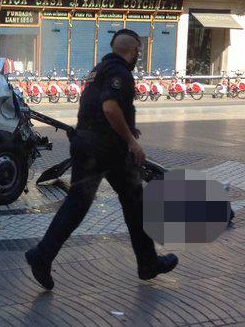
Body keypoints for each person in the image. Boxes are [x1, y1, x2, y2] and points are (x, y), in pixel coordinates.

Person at [25, 29, 178, 291]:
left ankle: (43, 255)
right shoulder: (120, 72)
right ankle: (147, 263)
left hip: (86, 143)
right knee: (134, 202)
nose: (137, 56)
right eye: (138, 52)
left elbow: (97, 107)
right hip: (107, 150)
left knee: (79, 204)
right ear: (134, 50)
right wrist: (130, 140)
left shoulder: (99, 69)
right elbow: (109, 107)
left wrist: (128, 127)